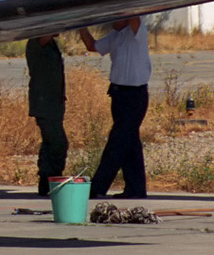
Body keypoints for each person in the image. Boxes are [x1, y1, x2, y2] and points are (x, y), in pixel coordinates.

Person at [78, 17, 151, 199]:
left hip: (135, 94)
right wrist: (81, 26)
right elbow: (92, 46)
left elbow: (133, 13)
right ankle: (136, 188)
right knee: (130, 142)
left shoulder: (136, 32)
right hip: (118, 94)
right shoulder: (115, 36)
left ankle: (97, 187)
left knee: (117, 142)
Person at [24, 35, 68, 196]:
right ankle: (50, 181)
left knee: (50, 144)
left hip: (53, 103)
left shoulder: (50, 45)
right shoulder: (36, 43)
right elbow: (45, 33)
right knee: (58, 143)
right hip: (45, 103)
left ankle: (46, 183)